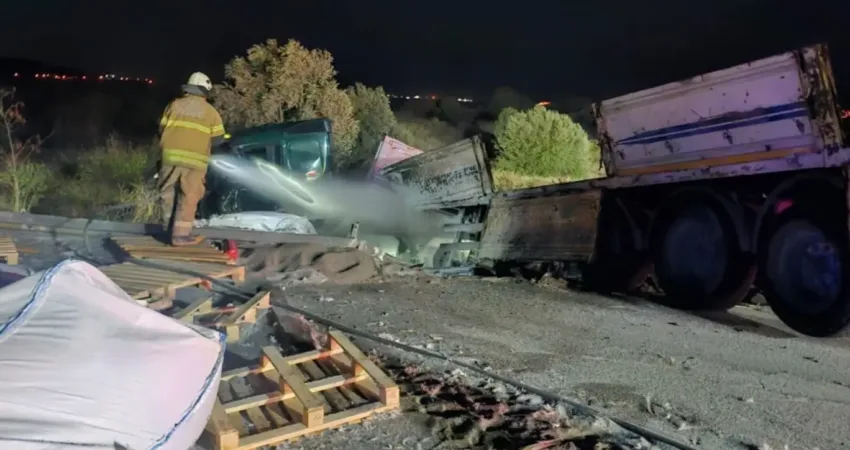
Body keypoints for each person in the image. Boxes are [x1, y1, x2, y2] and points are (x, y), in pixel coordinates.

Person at [157, 72, 226, 246]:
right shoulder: (211, 113)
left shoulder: (173, 106)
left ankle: (167, 231)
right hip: (195, 162)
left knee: (167, 193)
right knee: (189, 196)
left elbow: (161, 129)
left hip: (170, 158)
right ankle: (180, 236)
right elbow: (218, 140)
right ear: (205, 91)